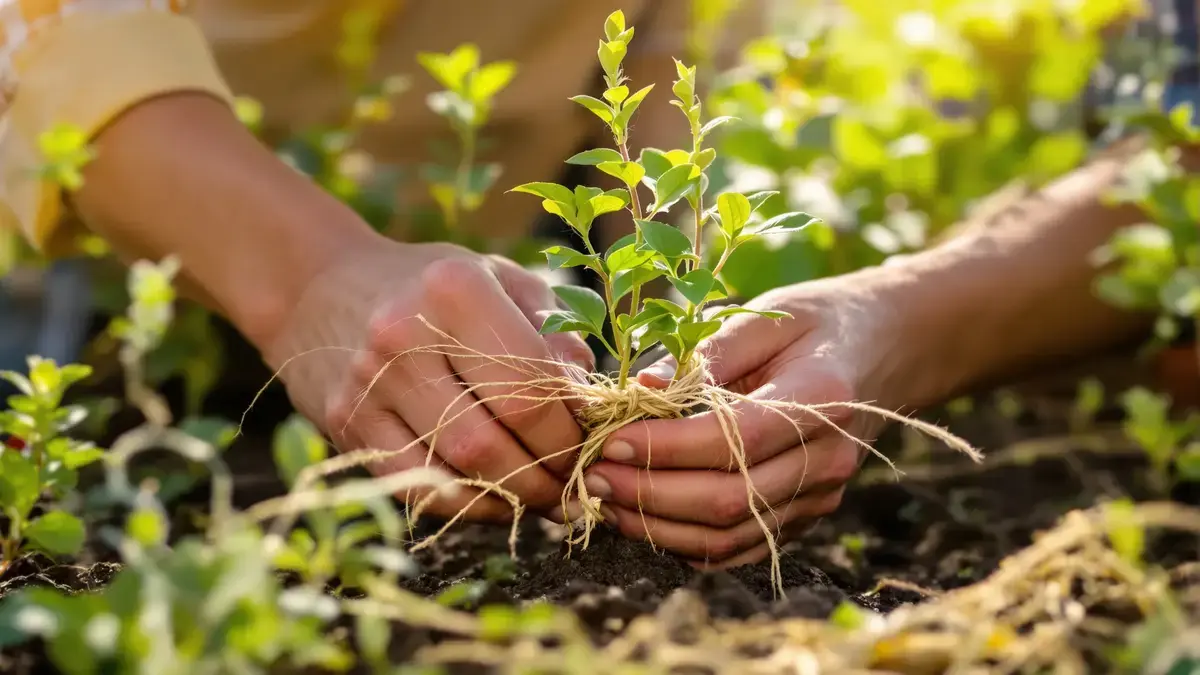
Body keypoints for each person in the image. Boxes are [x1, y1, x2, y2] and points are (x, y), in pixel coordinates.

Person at [0, 0, 1185, 570]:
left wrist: (690, 313)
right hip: (67, 233)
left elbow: (684, 48)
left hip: (486, 246)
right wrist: (302, 267)